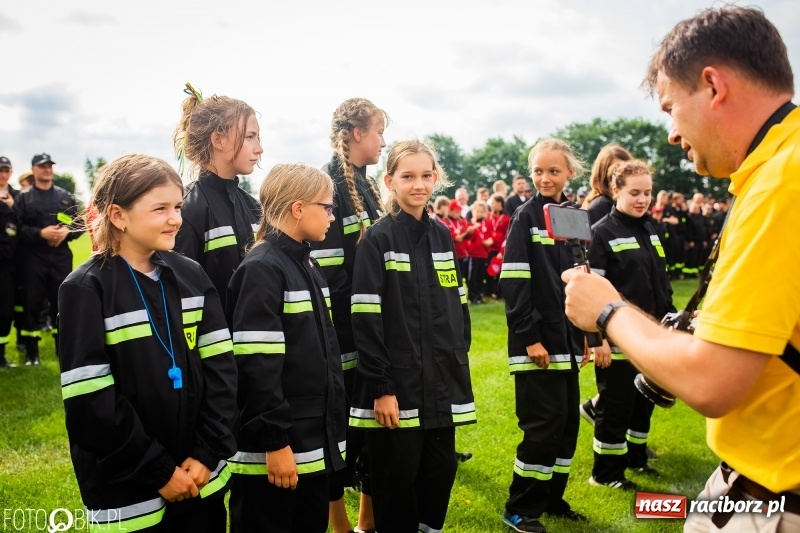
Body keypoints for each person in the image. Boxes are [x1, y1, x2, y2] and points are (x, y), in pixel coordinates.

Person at [562, 6, 800, 532]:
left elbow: (712, 380)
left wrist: (606, 310)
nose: (671, 132)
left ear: (713, 86)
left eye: (671, 107)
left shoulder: (783, 181)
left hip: (778, 495)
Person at [58, 154, 238, 533]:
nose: (175, 218)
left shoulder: (192, 275)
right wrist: (158, 471)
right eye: (160, 209)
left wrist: (206, 453)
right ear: (118, 215)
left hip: (200, 475)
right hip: (129, 489)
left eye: (177, 206)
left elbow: (222, 370)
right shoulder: (85, 289)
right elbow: (91, 403)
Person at [349, 140, 476, 533]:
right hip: (398, 391)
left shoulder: (442, 236)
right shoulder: (377, 239)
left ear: (436, 179)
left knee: (438, 479)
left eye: (425, 175)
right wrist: (382, 387)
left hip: (442, 386)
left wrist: (456, 355)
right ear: (390, 181)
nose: (417, 184)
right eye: (407, 176)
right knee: (396, 489)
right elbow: (365, 320)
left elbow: (460, 305)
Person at [227, 163, 347, 532]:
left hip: (310, 443)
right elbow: (256, 366)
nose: (332, 216)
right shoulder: (262, 268)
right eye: (326, 207)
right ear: (298, 209)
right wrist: (274, 443)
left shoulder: (306, 263)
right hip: (279, 451)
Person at [500, 138, 588, 533]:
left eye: (554, 170)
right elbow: (515, 282)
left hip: (568, 342)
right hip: (536, 344)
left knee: (567, 423)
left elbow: (582, 281)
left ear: (570, 173)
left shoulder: (574, 215)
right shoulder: (524, 217)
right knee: (543, 425)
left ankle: (552, 498)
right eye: (538, 170)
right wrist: (529, 338)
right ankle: (520, 508)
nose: (544, 177)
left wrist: (586, 334)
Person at [310, 97, 388, 533]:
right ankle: (339, 527)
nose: (382, 142)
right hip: (342, 333)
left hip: (370, 331)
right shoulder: (328, 183)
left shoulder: (367, 184)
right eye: (379, 131)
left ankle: (368, 523)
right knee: (338, 431)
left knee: (372, 430)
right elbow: (327, 272)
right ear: (357, 134)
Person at [585, 160, 674, 490]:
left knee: (643, 403)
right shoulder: (602, 233)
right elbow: (591, 294)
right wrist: (598, 340)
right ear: (615, 190)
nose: (642, 199)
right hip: (618, 337)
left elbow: (660, 282)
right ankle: (605, 474)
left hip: (652, 335)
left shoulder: (650, 229)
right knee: (616, 405)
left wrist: (673, 319)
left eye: (647, 193)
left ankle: (636, 459)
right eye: (634, 192)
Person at [172, 83, 263, 307]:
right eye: (250, 137)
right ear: (219, 140)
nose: (259, 148)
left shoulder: (253, 207)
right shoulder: (188, 210)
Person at [13, 153, 83, 364]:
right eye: (42, 166)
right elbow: (15, 229)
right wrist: (39, 233)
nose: (47, 170)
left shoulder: (64, 196)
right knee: (32, 303)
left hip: (60, 258)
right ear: (33, 169)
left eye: (50, 166)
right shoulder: (24, 198)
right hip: (33, 259)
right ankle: (32, 353)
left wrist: (66, 232)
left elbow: (79, 224)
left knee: (61, 305)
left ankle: (62, 351)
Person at [582, 144, 633, 224]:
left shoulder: (626, 203)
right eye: (615, 170)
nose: (621, 175)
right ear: (602, 174)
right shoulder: (600, 207)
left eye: (626, 170)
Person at [0, 156, 19, 367]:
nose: (3, 174)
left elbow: (23, 223)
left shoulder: (17, 196)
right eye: (0, 170)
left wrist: (14, 207)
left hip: (12, 262)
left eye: (6, 170)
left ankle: (1, 354)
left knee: (6, 310)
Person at [466, 200, 492, 304]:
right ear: (473, 212)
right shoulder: (470, 224)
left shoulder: (486, 224)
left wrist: (490, 241)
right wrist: (471, 229)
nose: (479, 214)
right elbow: (468, 238)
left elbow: (490, 236)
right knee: (473, 276)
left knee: (481, 276)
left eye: (482, 212)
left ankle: (480, 295)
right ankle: (473, 296)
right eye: (477, 211)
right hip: (473, 254)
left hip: (484, 253)